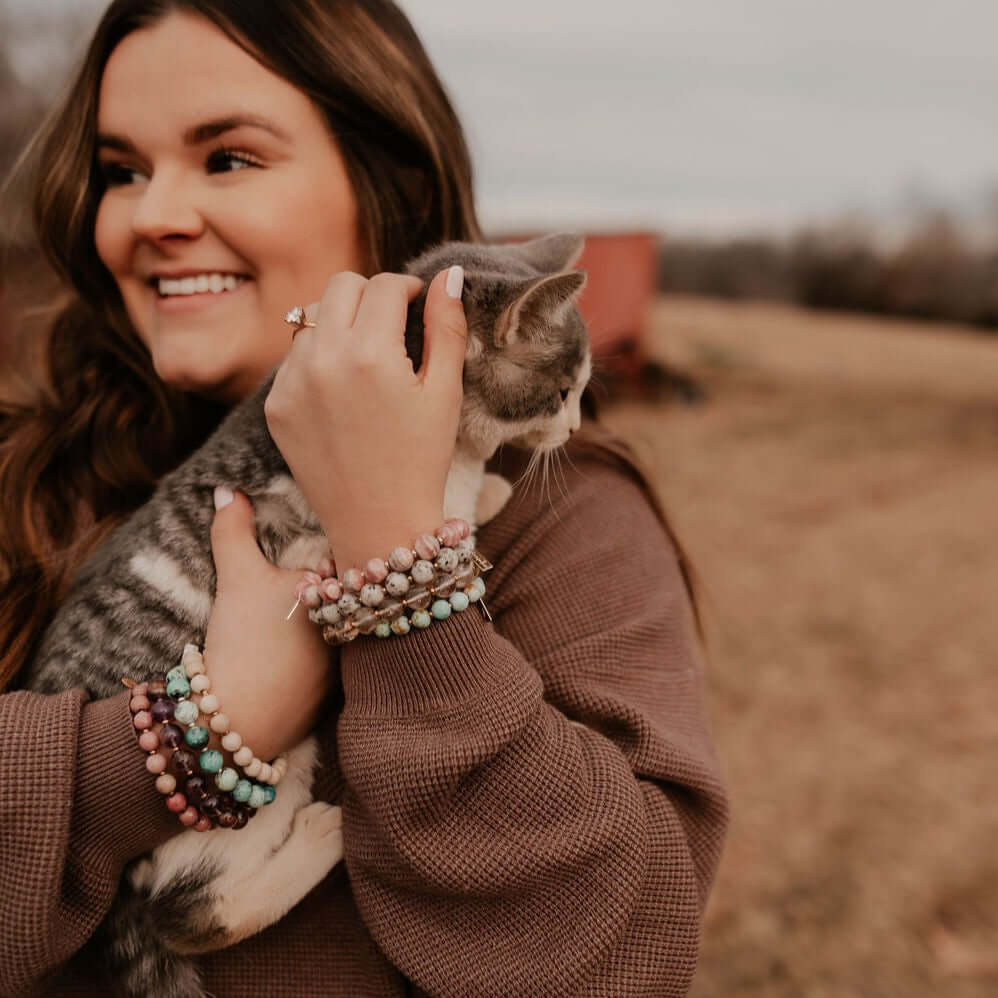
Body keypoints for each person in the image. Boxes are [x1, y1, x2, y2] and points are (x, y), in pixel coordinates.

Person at [0, 1, 729, 995]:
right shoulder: (27, 467)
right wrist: (189, 738)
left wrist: (401, 572)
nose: (155, 214)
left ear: (379, 180)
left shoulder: (562, 523)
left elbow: (617, 956)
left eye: (228, 158)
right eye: (122, 170)